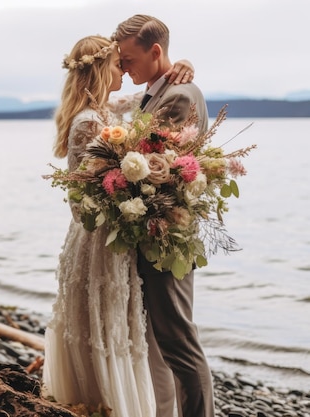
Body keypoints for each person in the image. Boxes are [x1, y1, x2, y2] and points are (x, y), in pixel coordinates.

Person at [42, 35, 194, 416]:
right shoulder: (89, 122)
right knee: (105, 331)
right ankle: (106, 404)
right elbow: (82, 204)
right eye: (116, 65)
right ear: (98, 71)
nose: (124, 71)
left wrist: (182, 66)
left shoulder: (101, 111)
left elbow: (149, 101)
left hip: (103, 239)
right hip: (98, 242)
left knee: (112, 329)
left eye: (125, 63)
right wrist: (131, 206)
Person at [112, 14, 214, 417]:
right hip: (157, 232)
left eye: (127, 59)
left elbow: (149, 162)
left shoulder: (180, 95)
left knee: (178, 343)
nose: (123, 68)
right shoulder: (161, 90)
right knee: (159, 344)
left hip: (166, 235)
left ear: (155, 52)